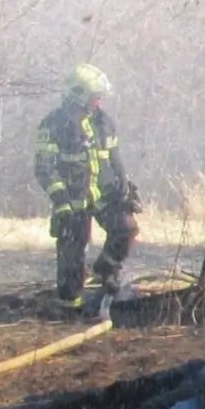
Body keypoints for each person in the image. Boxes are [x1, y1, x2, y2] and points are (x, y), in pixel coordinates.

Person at [34, 63, 140, 311]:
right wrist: (61, 200)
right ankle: (70, 307)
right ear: (78, 95)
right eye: (95, 97)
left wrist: (125, 185)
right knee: (72, 257)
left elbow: (114, 158)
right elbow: (44, 168)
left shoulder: (104, 122)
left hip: (104, 195)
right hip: (72, 201)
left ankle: (106, 268)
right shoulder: (53, 124)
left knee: (126, 228)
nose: (99, 103)